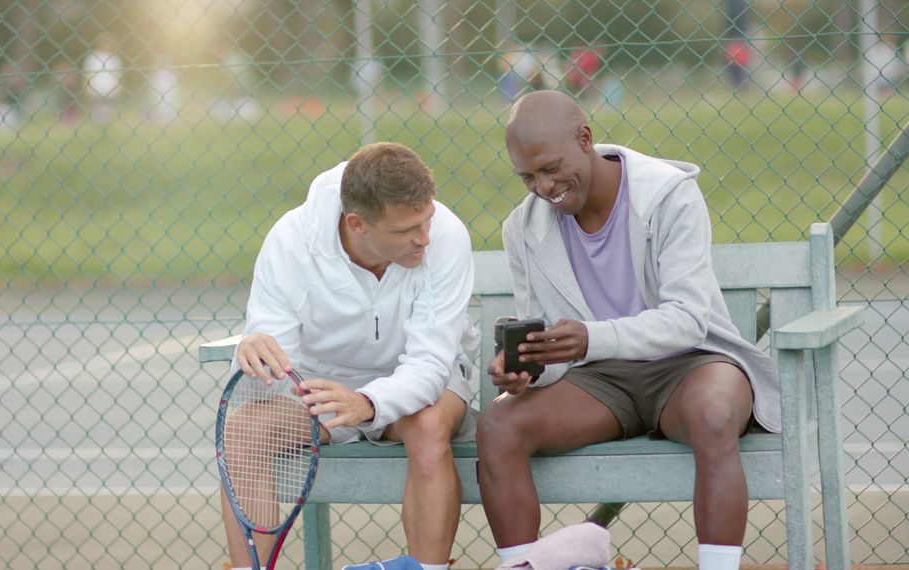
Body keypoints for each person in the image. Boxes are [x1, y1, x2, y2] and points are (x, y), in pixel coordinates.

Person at [476, 90, 779, 570]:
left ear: (585, 139)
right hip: (599, 381)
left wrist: (592, 337)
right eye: (528, 176)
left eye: (552, 167)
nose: (543, 186)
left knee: (716, 413)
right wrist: (528, 370)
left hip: (690, 364)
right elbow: (548, 342)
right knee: (497, 423)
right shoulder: (523, 229)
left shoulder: (668, 193)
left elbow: (687, 318)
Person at [223, 142, 480, 570]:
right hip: (318, 396)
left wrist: (366, 403)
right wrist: (251, 354)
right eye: (405, 231)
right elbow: (268, 376)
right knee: (244, 429)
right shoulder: (290, 241)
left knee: (429, 423)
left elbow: (431, 365)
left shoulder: (446, 236)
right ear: (357, 223)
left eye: (427, 219)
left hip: (419, 388)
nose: (424, 238)